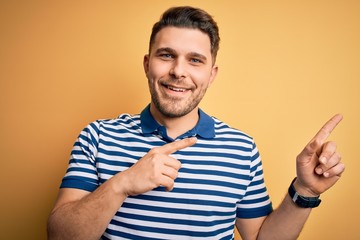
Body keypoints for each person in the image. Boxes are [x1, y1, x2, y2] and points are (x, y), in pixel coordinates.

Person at [47, 6, 345, 240]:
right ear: (147, 64)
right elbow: (59, 236)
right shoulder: (97, 136)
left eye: (195, 60)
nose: (178, 71)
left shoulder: (241, 149)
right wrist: (121, 184)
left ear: (211, 74)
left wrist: (305, 191)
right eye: (166, 55)